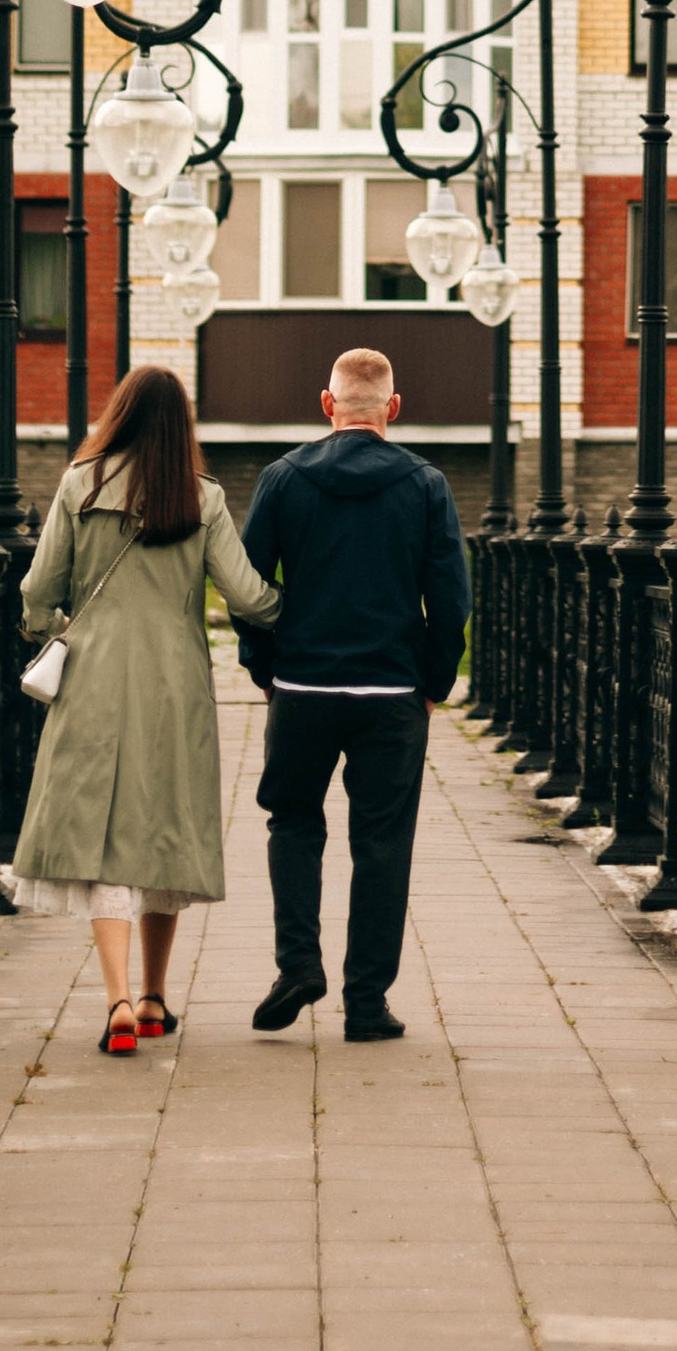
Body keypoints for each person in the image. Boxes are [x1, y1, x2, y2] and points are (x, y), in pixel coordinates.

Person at [12, 362, 279, 1056]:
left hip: (94, 680)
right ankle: (159, 995)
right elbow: (248, 597)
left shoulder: (81, 484)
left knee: (105, 841)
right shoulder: (203, 497)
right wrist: (304, 613)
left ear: (121, 414)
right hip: (176, 685)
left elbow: (38, 591)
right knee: (164, 830)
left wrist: (52, 629)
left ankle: (120, 1000)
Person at [236, 343, 471, 1043]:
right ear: (392, 408)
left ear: (327, 404)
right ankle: (367, 1004)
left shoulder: (282, 478)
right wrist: (432, 681)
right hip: (390, 692)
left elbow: (249, 589)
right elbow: (450, 599)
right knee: (382, 845)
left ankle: (297, 963)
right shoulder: (426, 484)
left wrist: (266, 670)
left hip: (303, 686)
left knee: (293, 821)